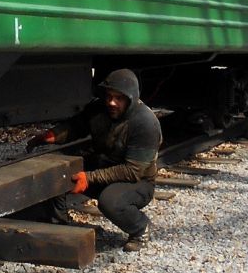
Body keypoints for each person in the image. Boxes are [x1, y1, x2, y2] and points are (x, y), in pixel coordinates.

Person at [33, 68, 161, 250]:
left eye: (119, 98)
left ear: (130, 98)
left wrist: (89, 177)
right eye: (109, 96)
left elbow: (133, 171)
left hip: (137, 182)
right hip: (104, 164)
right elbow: (76, 125)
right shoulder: (99, 109)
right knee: (60, 170)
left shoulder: (145, 123)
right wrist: (54, 135)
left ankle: (140, 227)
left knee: (110, 201)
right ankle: (59, 222)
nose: (112, 102)